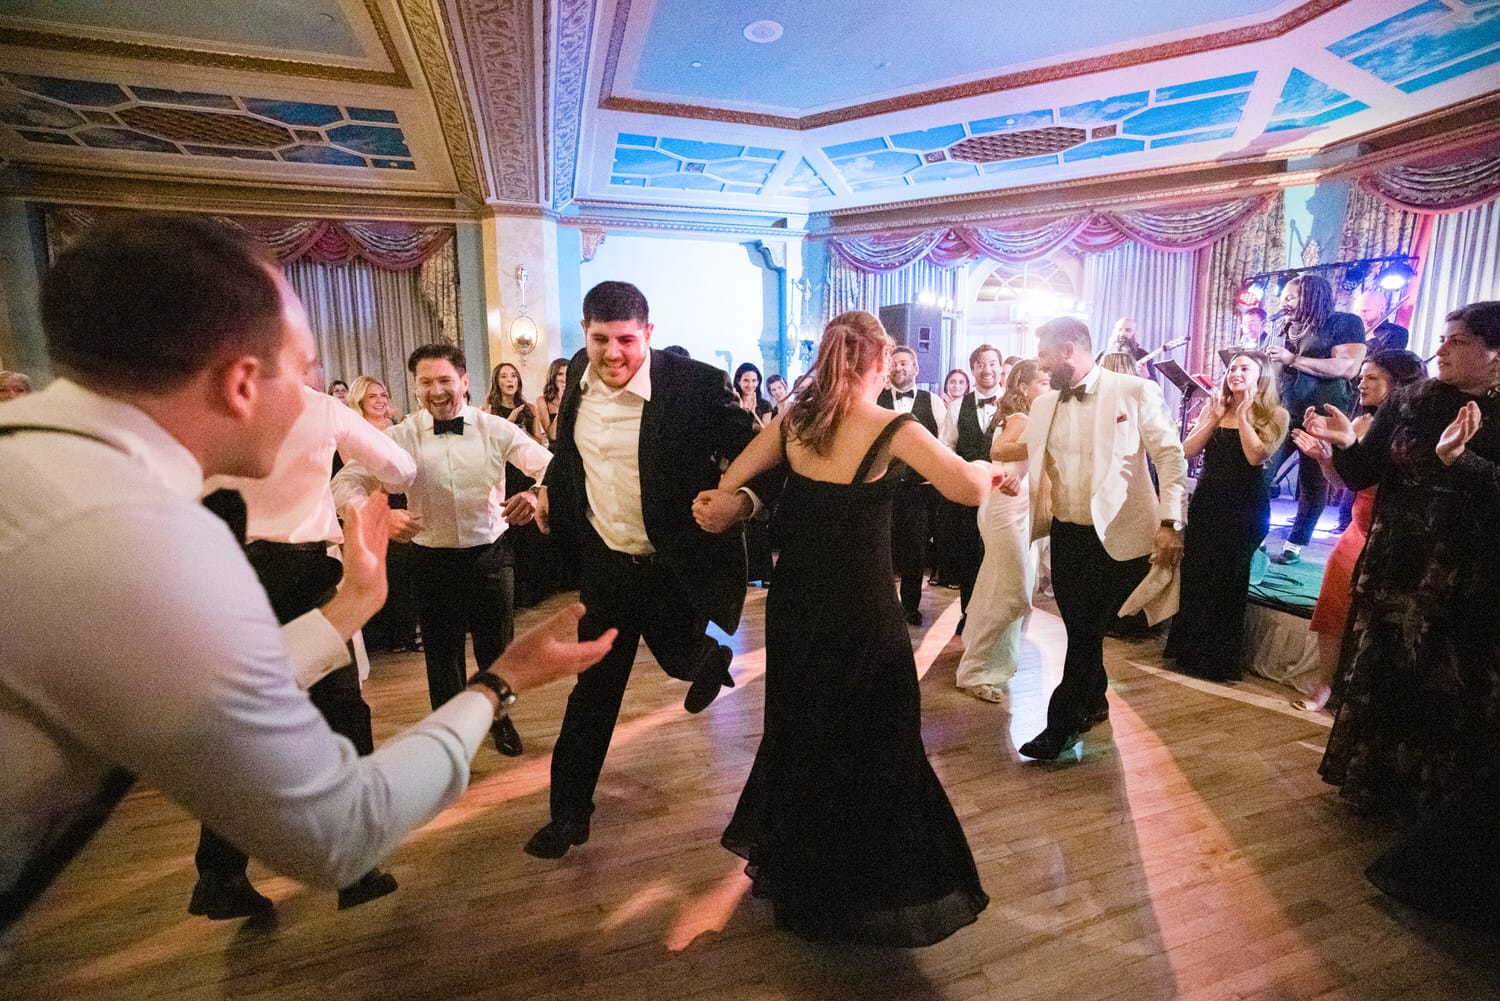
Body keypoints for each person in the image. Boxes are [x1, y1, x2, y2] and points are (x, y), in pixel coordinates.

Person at [0, 214, 615, 935]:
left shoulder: (46, 468)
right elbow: (339, 832)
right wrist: (502, 679)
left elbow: (213, 682)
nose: (321, 400)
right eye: (305, 367)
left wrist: (351, 605)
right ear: (240, 384)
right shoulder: (139, 540)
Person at [693, 310, 1005, 946]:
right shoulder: (894, 426)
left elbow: (735, 481)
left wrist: (731, 504)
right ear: (877, 360)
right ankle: (868, 883)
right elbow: (968, 488)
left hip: (797, 607)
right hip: (861, 612)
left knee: (803, 730)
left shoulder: (794, 421)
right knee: (877, 736)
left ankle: (804, 873)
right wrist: (996, 474)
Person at [526, 281, 774, 859]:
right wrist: (545, 497)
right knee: (593, 692)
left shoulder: (694, 386)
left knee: (675, 651)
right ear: (585, 334)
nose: (613, 353)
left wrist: (740, 503)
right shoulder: (577, 391)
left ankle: (706, 659)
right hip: (609, 566)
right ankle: (568, 816)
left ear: (650, 334)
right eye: (600, 339)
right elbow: (573, 464)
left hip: (674, 563)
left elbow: (763, 453)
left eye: (627, 340)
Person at [1304, 301, 1500, 929]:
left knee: (1447, 685)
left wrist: (1459, 462)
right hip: (1398, 561)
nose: (1441, 351)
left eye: (1459, 342)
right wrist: (1337, 448)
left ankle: (1431, 805)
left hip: (1466, 575)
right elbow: (1366, 469)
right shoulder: (1412, 398)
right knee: (1385, 669)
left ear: (1494, 351)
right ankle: (1376, 785)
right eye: (1441, 339)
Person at [190, 377, 417, 918]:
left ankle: (220, 876)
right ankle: (355, 868)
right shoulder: (320, 408)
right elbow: (401, 468)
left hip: (228, 572)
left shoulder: (205, 405)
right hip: (302, 574)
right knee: (342, 717)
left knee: (242, 726)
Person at [333, 343, 553, 758]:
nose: (436, 390)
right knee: (442, 654)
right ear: (415, 388)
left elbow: (550, 465)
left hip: (490, 553)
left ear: (465, 382)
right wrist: (375, 513)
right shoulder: (398, 437)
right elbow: (344, 484)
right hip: (430, 558)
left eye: (445, 381)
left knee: (497, 651)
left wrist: (538, 493)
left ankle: (499, 720)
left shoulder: (495, 429)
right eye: (426, 382)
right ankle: (449, 738)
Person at [1018, 317, 1187, 760]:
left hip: (1118, 535)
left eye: (1044, 355)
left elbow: (1170, 457)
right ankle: (1094, 701)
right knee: (1079, 628)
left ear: (1070, 349)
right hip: (1066, 531)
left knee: (1086, 632)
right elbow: (1035, 465)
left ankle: (1060, 727)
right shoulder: (1042, 405)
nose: (1040, 363)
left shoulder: (1134, 391)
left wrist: (1172, 522)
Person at [1290, 350, 1426, 712]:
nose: (1361, 383)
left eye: (1373, 378)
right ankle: (1324, 686)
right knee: (1332, 608)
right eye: (1362, 376)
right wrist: (1323, 457)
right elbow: (1343, 483)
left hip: (1389, 530)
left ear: (1400, 387)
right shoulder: (1362, 424)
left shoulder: (1414, 431)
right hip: (1357, 525)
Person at [1163, 352, 1288, 682]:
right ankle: (1189, 652)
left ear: (1261, 375)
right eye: (1232, 367)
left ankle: (1219, 659)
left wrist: (1244, 415)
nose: (1235, 372)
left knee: (1229, 579)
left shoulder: (1276, 414)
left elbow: (1254, 455)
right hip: (1208, 502)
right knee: (1198, 573)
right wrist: (1213, 417)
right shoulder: (1215, 408)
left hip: (1245, 508)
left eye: (1244, 368)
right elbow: (1186, 451)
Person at [956, 359, 1048, 701]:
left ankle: (986, 661)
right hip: (1006, 508)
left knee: (996, 585)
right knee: (1013, 595)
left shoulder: (1032, 418)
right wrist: (1042, 439)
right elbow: (998, 451)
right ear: (1024, 387)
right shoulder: (1023, 419)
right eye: (1043, 381)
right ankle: (974, 670)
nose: (1049, 388)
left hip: (1023, 507)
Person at [1267, 274, 1366, 564]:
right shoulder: (1285, 327)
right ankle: (1256, 535)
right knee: (1261, 474)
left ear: (1312, 295)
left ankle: (1296, 542)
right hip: (1284, 412)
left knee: (1313, 482)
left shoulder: (1344, 323)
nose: (1284, 300)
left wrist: (1292, 359)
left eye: (1291, 295)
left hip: (1322, 416)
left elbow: (1346, 367)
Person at [345, 374, 419, 654]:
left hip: (400, 499)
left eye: (383, 395)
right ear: (360, 401)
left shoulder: (397, 429)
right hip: (371, 500)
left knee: (404, 567)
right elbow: (353, 477)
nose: (380, 401)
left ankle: (406, 633)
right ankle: (384, 637)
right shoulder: (353, 431)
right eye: (373, 396)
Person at [876, 345, 948, 625]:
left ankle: (909, 607)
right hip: (882, 489)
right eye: (894, 363)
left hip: (918, 491)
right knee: (881, 549)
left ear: (916, 369)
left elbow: (944, 444)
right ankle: (882, 607)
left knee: (915, 551)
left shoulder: (933, 403)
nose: (899, 367)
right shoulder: (875, 400)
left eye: (905, 363)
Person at [939, 345, 1005, 629]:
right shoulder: (957, 407)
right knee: (968, 556)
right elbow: (946, 448)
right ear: (973, 368)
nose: (987, 369)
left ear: (1000, 368)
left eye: (992, 364)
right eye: (980, 364)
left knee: (999, 556)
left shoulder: (1014, 404)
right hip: (969, 495)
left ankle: (995, 618)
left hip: (1004, 495)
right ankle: (968, 613)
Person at [485, 361, 543, 443]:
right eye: (503, 376)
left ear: (518, 381)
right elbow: (488, 445)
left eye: (513, 376)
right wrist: (509, 424)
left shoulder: (530, 408)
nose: (509, 380)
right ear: (496, 382)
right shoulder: (488, 409)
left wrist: (523, 433)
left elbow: (539, 443)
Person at [1352, 288, 1410, 353]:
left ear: (1382, 309)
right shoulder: (1353, 331)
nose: (1360, 315)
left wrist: (1371, 339)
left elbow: (1386, 360)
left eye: (1365, 311)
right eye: (1356, 311)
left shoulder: (1397, 332)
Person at [535, 356, 568, 447]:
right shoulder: (542, 401)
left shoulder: (578, 398)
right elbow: (553, 436)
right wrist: (563, 403)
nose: (564, 379)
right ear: (553, 376)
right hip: (556, 451)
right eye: (560, 374)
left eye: (567, 374)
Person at [733, 361, 773, 430]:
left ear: (758, 382)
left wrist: (753, 413)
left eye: (754, 380)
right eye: (746, 380)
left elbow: (766, 433)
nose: (750, 385)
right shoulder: (732, 403)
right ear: (738, 381)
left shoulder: (765, 405)